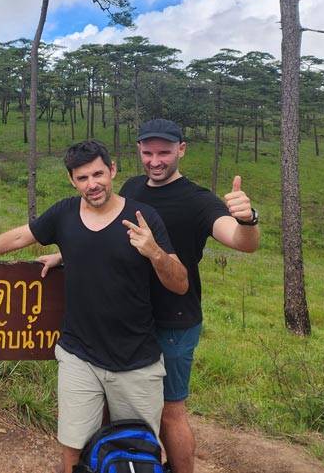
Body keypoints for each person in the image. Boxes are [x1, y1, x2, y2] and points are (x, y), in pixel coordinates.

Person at [0, 140, 188, 473]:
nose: (93, 184)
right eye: (83, 177)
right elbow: (20, 237)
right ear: (72, 181)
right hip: (79, 357)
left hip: (136, 360)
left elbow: (180, 283)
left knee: (139, 452)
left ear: (112, 170)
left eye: (98, 174)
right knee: (72, 453)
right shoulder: (64, 214)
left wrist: (154, 252)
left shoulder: (142, 218)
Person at [121, 119, 258, 473]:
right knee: (126, 404)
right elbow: (110, 232)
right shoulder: (131, 187)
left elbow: (242, 243)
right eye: (148, 152)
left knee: (170, 410)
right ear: (139, 150)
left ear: (181, 149)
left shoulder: (198, 201)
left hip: (174, 320)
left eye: (164, 152)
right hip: (129, 315)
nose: (155, 160)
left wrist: (248, 220)